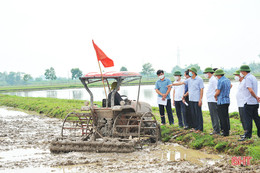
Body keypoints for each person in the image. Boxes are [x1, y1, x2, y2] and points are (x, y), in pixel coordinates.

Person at [169, 67, 204, 132]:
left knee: (198, 114)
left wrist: (200, 99)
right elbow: (181, 83)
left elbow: (201, 89)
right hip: (191, 99)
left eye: (190, 71)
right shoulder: (189, 80)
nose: (189, 73)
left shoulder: (199, 79)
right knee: (193, 114)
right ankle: (195, 127)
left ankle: (200, 128)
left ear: (193, 72)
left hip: (197, 99)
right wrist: (172, 84)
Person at [238, 65, 260, 141]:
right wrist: (256, 97)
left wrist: (255, 97)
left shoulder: (247, 78)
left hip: (249, 102)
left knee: (248, 119)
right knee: (256, 118)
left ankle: (248, 135)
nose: (240, 73)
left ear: (243, 71)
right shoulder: (253, 77)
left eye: (240, 71)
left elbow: (250, 90)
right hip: (254, 103)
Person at [214, 69, 231, 136]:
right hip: (227, 100)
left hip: (221, 101)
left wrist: (215, 95)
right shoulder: (227, 80)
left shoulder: (220, 81)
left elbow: (218, 92)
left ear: (218, 75)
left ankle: (224, 132)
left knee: (222, 117)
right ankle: (227, 130)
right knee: (226, 116)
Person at [203, 67, 220, 135]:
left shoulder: (213, 80)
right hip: (210, 99)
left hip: (213, 100)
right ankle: (215, 129)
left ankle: (216, 130)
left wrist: (215, 97)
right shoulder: (211, 79)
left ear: (209, 73)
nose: (205, 75)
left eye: (206, 73)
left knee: (214, 115)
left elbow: (217, 89)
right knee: (213, 115)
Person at [233, 70, 247, 137]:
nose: (235, 77)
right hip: (240, 103)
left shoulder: (244, 82)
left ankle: (247, 132)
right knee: (242, 118)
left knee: (244, 118)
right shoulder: (241, 83)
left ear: (240, 75)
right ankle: (245, 132)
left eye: (236, 75)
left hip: (243, 103)